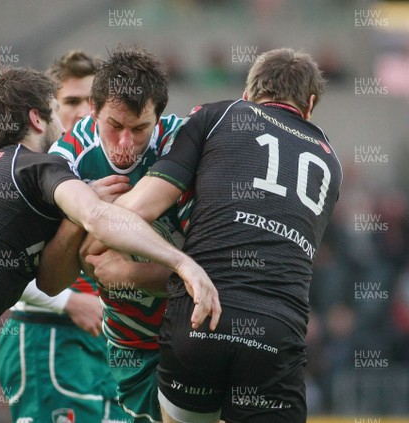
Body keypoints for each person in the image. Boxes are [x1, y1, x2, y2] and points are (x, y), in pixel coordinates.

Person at [0, 66, 220, 423]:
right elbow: (98, 217)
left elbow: (49, 277)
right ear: (37, 118)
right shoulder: (35, 166)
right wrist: (182, 264)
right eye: (56, 112)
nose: (66, 127)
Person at [83, 48, 343, 422]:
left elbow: (139, 208)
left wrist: (97, 239)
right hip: (277, 333)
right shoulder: (330, 161)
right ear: (311, 104)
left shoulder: (219, 115)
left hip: (201, 321)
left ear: (248, 94)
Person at [37, 45, 187, 423]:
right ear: (93, 109)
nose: (125, 144)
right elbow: (51, 281)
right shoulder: (67, 156)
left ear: (159, 118)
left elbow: (211, 272)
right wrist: (81, 214)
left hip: (191, 329)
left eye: (139, 129)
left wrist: (127, 270)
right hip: (130, 342)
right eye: (114, 126)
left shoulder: (186, 144)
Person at [0, 50, 130, 423]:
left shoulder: (111, 167)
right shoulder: (28, 171)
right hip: (49, 336)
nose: (84, 112)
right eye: (71, 101)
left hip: (107, 345)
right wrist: (68, 302)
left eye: (93, 102)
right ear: (48, 110)